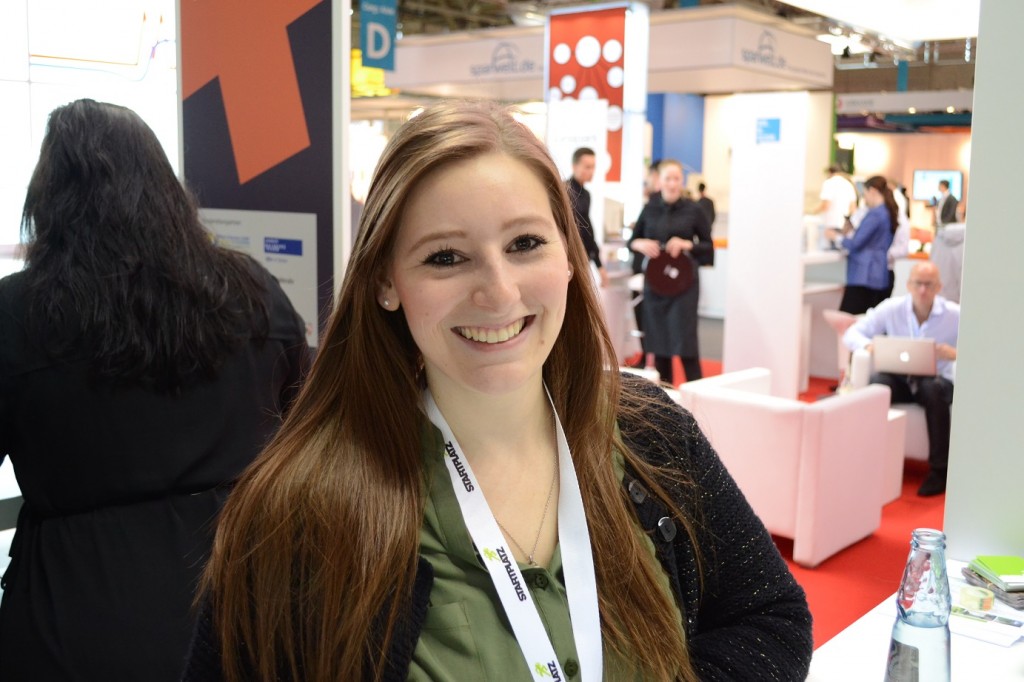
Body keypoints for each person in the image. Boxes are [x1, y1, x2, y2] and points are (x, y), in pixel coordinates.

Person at [182, 101, 812, 681]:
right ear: (386, 281)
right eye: (445, 257)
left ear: (569, 256)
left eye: (525, 244)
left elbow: (770, 617)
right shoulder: (298, 515)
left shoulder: (652, 434)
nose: (500, 292)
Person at [0, 99, 309, 680]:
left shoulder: (17, 314)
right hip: (241, 605)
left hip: (74, 621)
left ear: (47, 199)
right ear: (165, 188)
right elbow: (307, 425)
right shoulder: (250, 290)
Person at [843, 261, 958, 497]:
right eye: (918, 284)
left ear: (939, 287)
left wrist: (954, 354)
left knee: (933, 389)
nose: (923, 290)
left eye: (929, 285)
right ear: (909, 285)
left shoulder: (954, 315)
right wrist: (869, 345)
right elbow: (852, 333)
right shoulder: (892, 308)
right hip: (901, 378)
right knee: (877, 385)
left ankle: (940, 470)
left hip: (937, 380)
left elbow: (981, 347)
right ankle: (863, 459)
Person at [628, 159, 714, 385]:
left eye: (677, 178)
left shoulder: (694, 210)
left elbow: (708, 247)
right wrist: (640, 243)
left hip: (684, 285)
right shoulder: (649, 208)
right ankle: (666, 400)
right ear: (660, 181)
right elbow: (632, 241)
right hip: (656, 284)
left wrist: (687, 244)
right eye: (668, 178)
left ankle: (698, 396)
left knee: (687, 345)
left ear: (682, 181)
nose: (673, 183)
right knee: (660, 346)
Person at [827, 175, 898, 315]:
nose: (865, 199)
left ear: (872, 191)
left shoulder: (876, 214)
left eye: (865, 195)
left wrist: (836, 237)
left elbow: (856, 243)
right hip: (875, 273)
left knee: (849, 318)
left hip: (864, 274)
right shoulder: (886, 212)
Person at [565, 147, 608, 288]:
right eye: (587, 167)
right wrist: (599, 266)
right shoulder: (564, 191)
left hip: (582, 257)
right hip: (567, 258)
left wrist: (598, 264)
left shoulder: (586, 195)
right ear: (574, 166)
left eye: (593, 167)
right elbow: (580, 229)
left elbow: (587, 229)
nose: (591, 171)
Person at [815, 165, 858, 250]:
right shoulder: (848, 184)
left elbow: (826, 205)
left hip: (830, 226)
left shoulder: (829, 183)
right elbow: (853, 208)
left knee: (827, 252)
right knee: (840, 253)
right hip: (844, 226)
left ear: (830, 173)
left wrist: (814, 211)